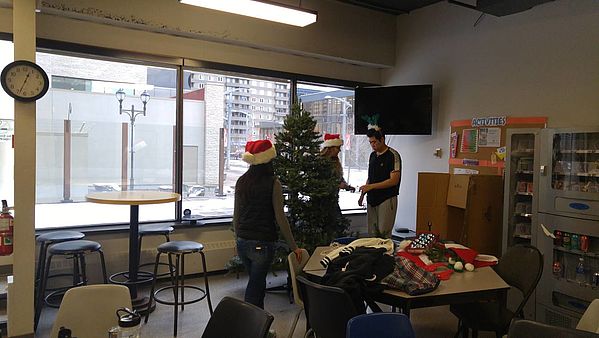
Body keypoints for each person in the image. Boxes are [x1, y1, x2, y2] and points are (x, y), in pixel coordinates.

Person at [232, 139, 303, 309]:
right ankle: (251, 327)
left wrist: (238, 238)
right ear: (269, 160)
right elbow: (280, 217)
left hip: (243, 241)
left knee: (257, 283)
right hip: (262, 243)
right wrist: (294, 247)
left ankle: (261, 326)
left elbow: (236, 215)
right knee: (255, 289)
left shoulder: (241, 181)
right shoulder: (273, 183)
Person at [358, 127, 401, 238]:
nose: (372, 145)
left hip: (386, 198)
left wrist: (371, 187)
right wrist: (362, 194)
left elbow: (394, 180)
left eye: (374, 142)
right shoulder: (372, 155)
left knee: (383, 234)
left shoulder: (393, 155)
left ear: (382, 139)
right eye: (370, 142)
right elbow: (370, 177)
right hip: (372, 199)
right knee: (372, 233)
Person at [319, 133, 355, 240]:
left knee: (337, 226)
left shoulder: (336, 162)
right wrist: (338, 185)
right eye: (338, 148)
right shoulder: (321, 162)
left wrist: (347, 186)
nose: (339, 150)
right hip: (323, 202)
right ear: (331, 148)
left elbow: (339, 179)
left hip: (334, 200)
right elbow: (321, 182)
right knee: (332, 228)